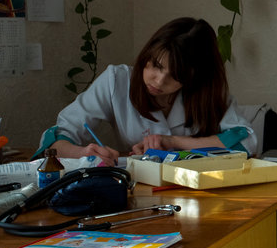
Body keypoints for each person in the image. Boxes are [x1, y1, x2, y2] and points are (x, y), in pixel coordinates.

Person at [35, 17, 258, 163]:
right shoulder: (117, 80)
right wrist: (83, 153)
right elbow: (56, 139)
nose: (159, 81)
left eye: (175, 76)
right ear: (147, 54)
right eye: (156, 66)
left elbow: (246, 141)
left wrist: (173, 142)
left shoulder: (206, 92)